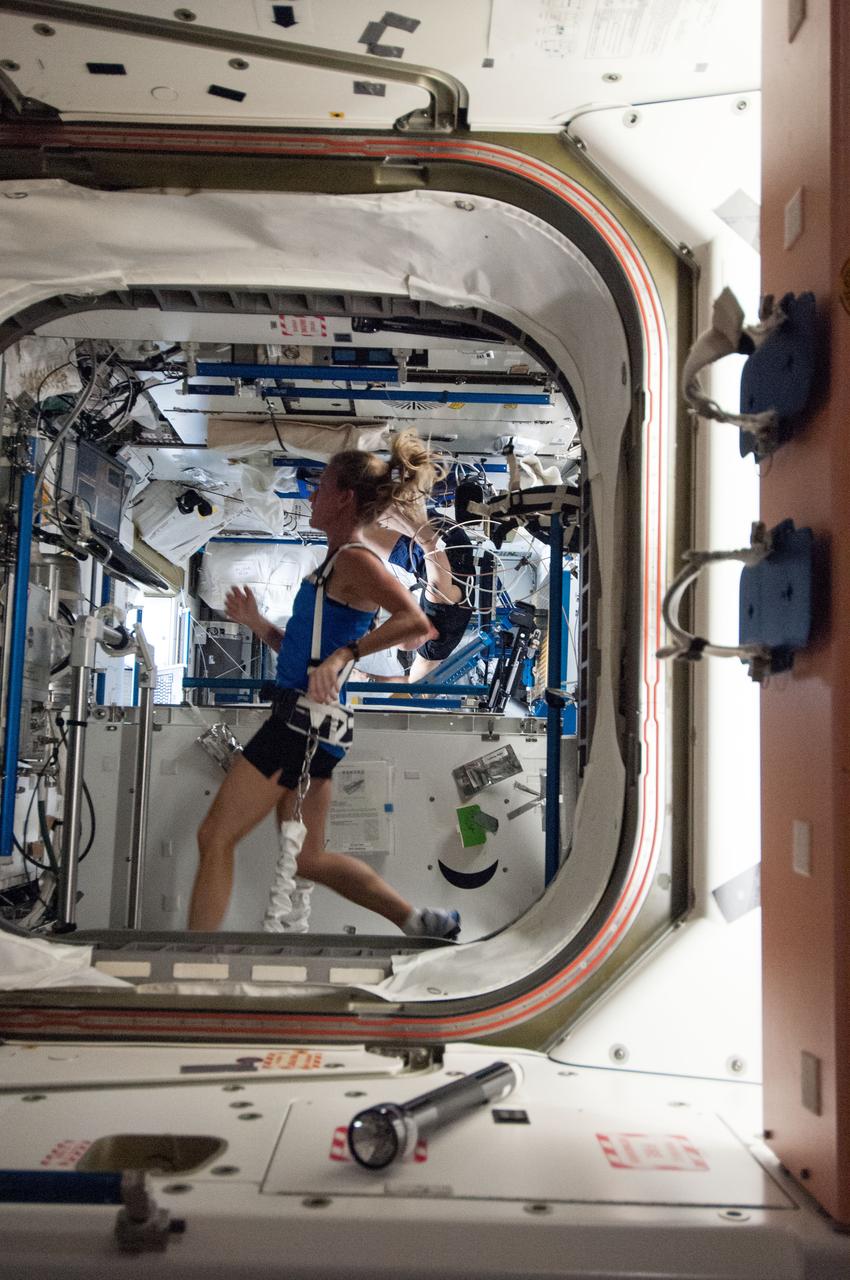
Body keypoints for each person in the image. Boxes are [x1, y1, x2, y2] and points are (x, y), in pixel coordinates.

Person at [188, 432, 461, 941]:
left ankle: (192, 960)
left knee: (215, 836)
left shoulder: (357, 561)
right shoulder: (334, 566)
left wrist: (346, 655)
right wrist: (257, 624)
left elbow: (416, 622)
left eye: (320, 487)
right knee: (309, 860)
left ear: (344, 498)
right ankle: (419, 922)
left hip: (298, 727)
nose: (312, 497)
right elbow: (302, 654)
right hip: (316, 726)